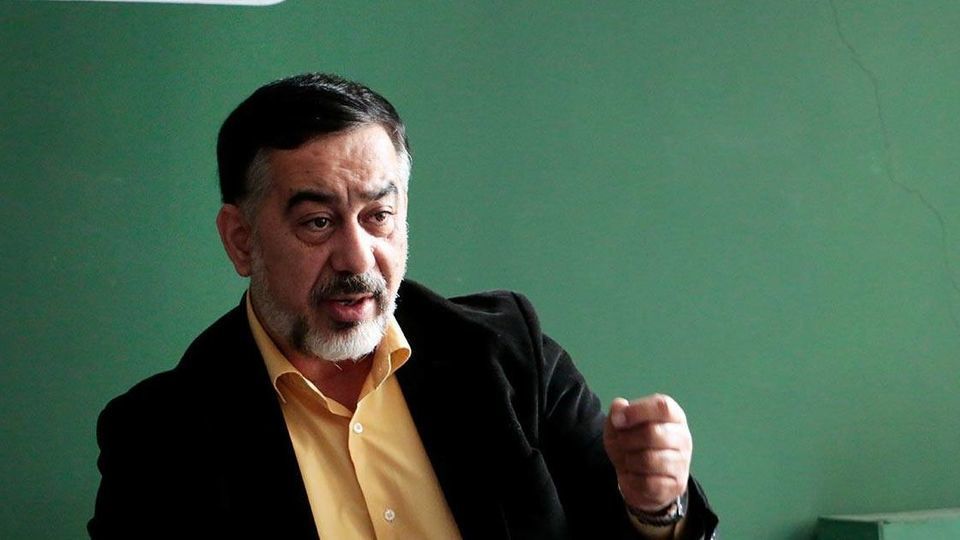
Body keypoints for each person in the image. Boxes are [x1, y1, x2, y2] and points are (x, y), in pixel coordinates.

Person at [89, 73, 719, 540]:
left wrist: (654, 509)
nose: (356, 259)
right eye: (317, 222)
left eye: (379, 216)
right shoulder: (160, 436)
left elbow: (622, 526)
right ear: (241, 240)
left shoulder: (507, 355)